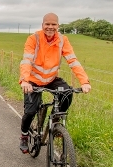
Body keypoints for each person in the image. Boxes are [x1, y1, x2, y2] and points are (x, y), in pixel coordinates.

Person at [19, 12, 91, 153]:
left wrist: (84, 82)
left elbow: (73, 61)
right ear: (42, 25)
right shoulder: (34, 39)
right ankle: (24, 135)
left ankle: (56, 122)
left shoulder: (63, 40)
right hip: (33, 80)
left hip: (52, 79)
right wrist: (25, 81)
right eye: (47, 24)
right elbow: (26, 60)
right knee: (30, 111)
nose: (50, 27)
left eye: (53, 24)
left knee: (67, 93)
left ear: (58, 26)